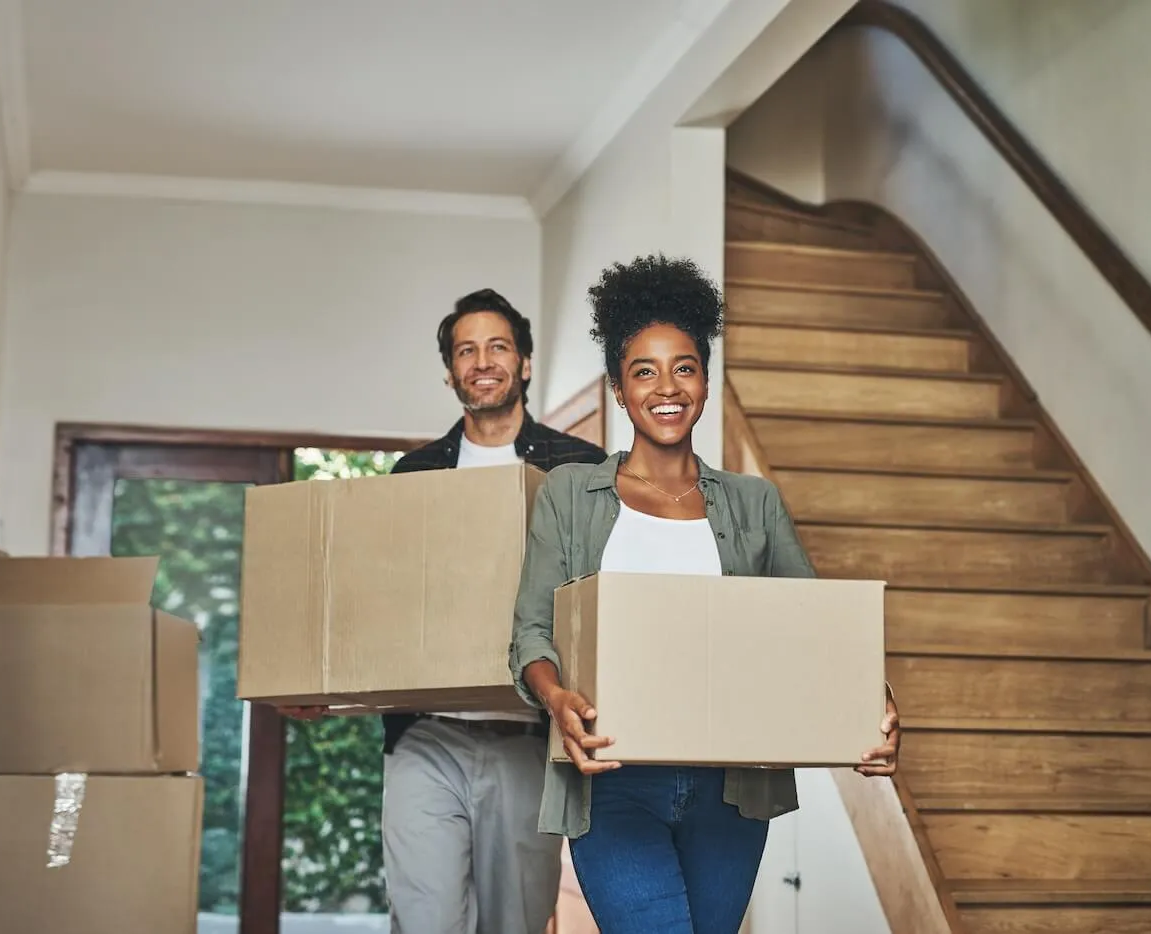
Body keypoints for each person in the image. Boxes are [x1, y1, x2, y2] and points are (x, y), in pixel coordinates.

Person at [508, 256, 901, 934]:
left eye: (684, 367)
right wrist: (556, 696)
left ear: (707, 381)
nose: (667, 387)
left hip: (733, 787)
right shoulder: (571, 496)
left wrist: (873, 702)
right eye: (644, 371)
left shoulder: (755, 503)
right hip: (612, 778)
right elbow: (532, 632)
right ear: (618, 389)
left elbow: (815, 631)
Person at [282, 288, 608, 934]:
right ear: (450, 371)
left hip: (526, 738)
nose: (482, 361)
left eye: (497, 347)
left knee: (515, 923)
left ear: (526, 364)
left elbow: (600, 601)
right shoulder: (414, 473)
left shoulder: (580, 469)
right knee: (424, 919)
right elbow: (379, 604)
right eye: (466, 350)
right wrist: (322, 683)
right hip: (426, 739)